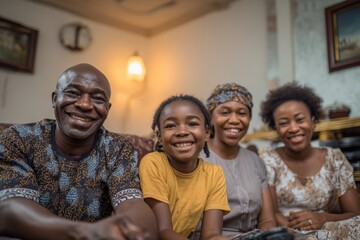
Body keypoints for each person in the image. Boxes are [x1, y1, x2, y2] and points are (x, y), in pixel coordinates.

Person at [0, 63, 158, 240]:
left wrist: (137, 232)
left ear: (108, 109)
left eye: (98, 98)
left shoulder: (117, 148)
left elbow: (132, 203)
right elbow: (9, 209)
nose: (84, 104)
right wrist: (84, 233)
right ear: (54, 98)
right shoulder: (19, 139)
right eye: (73, 93)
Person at [259, 82, 360, 239]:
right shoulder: (268, 159)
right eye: (284, 123)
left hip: (327, 230)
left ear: (313, 122)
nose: (293, 128)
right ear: (276, 130)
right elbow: (271, 214)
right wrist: (294, 232)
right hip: (287, 233)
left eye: (300, 119)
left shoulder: (335, 159)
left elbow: (355, 214)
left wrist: (323, 218)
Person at [139, 95, 230, 240]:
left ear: (207, 133)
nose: (182, 131)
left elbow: (211, 234)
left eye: (192, 124)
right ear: (160, 137)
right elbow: (163, 231)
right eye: (170, 125)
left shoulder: (214, 173)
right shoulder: (153, 163)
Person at [196, 83, 276, 238]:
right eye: (225, 112)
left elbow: (267, 219)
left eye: (242, 113)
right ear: (211, 118)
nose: (234, 120)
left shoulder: (255, 161)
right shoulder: (196, 159)